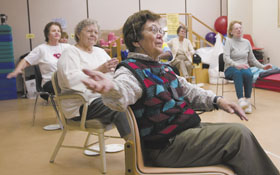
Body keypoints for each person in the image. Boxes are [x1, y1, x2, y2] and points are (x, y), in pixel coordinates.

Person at [81, 10, 279, 175]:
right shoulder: (130, 71)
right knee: (239, 136)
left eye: (161, 30)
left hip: (184, 134)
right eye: (153, 30)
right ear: (136, 40)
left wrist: (218, 100)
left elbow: (190, 91)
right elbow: (122, 93)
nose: (161, 35)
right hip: (165, 147)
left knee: (239, 139)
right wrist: (110, 90)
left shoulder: (162, 68)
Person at [57, 19, 130, 140]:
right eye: (89, 31)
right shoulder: (70, 52)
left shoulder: (100, 51)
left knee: (132, 100)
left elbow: (111, 75)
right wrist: (100, 69)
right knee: (119, 106)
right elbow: (71, 80)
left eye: (96, 32)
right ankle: (134, 147)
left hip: (101, 98)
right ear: (79, 34)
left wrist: (117, 71)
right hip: (81, 104)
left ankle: (141, 143)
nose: (93, 35)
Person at [7, 21, 70, 99]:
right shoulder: (41, 49)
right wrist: (17, 71)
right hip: (50, 83)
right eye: (53, 31)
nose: (57, 32)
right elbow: (26, 60)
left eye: (59, 31)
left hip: (66, 80)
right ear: (47, 34)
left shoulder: (67, 47)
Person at [223, 20, 272, 114]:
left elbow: (252, 59)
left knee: (248, 74)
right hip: (230, 68)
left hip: (244, 67)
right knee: (237, 73)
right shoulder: (229, 41)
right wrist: (237, 65)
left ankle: (247, 101)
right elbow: (226, 58)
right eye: (236, 28)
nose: (239, 30)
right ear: (231, 31)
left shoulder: (246, 42)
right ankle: (241, 100)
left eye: (240, 28)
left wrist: (263, 67)